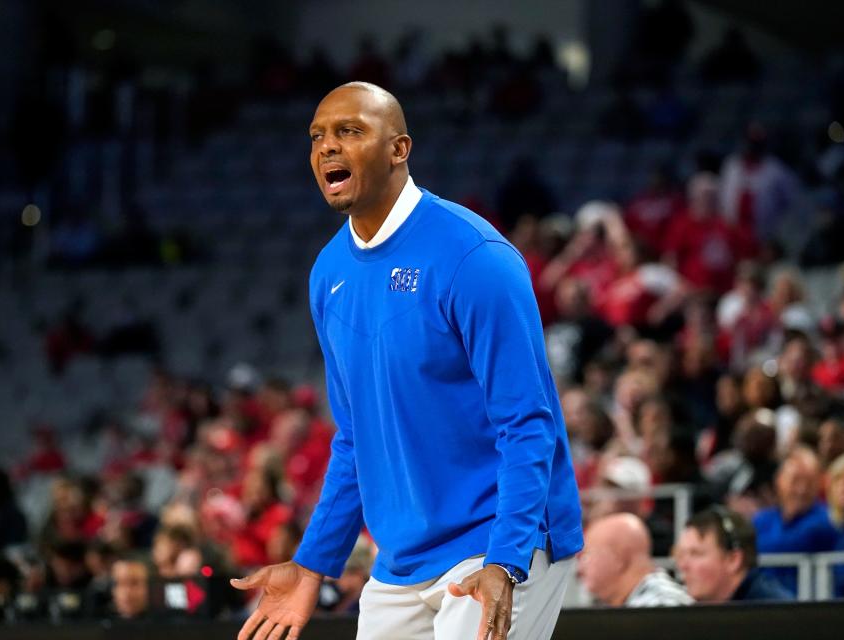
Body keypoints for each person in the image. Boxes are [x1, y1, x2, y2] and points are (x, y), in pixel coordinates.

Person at [232, 82, 583, 640]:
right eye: (318, 136)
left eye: (350, 132)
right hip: (399, 559)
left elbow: (528, 424)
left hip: (494, 542)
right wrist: (312, 563)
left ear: (400, 149)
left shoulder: (475, 258)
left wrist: (507, 559)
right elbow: (354, 438)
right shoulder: (329, 274)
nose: (327, 147)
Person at [752, 447, 840, 594]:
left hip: (807, 609)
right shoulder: (762, 520)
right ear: (779, 480)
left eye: (810, 482)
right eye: (795, 481)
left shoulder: (827, 519)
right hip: (762, 605)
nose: (802, 489)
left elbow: (787, 546)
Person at [674, 507, 793, 602]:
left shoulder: (773, 613)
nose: (683, 566)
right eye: (681, 555)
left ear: (733, 560)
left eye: (696, 554)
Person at [576, 513, 692, 607]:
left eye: (586, 556)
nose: (579, 569)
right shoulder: (636, 605)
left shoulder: (661, 608)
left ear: (618, 558)